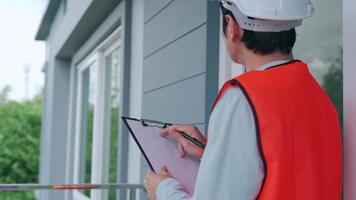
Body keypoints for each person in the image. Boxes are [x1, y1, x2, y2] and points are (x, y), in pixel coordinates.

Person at [144, 0, 342, 199]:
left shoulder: (242, 100)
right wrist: (212, 152)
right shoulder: (319, 97)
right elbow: (288, 170)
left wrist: (163, 190)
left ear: (232, 27)